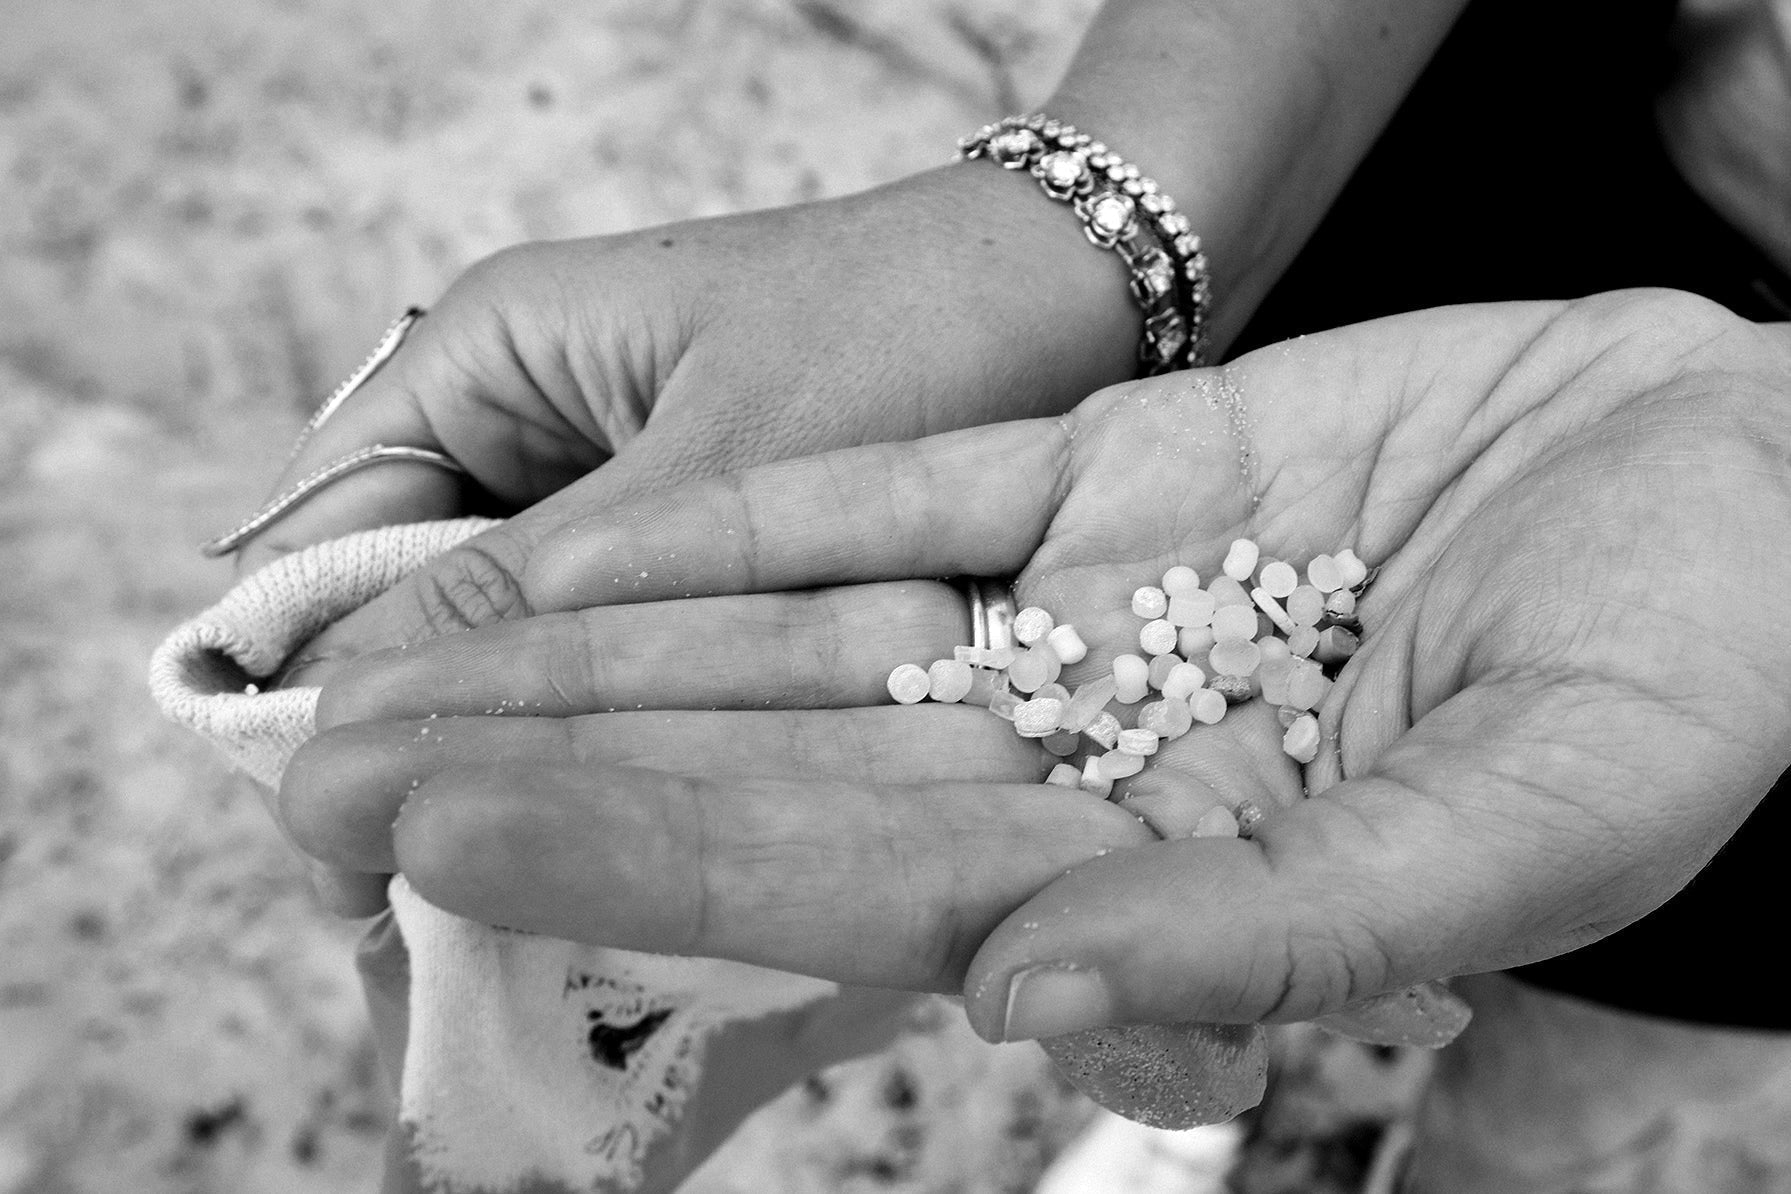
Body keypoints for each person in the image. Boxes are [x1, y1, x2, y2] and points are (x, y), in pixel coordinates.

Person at [191, 0, 1791, 1189]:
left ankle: (1450, 1139)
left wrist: (1769, 454)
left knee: (1587, 1016)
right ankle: (1204, 1101)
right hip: (1473, 181)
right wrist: (1071, 222)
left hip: (1726, 558)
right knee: (1209, 848)